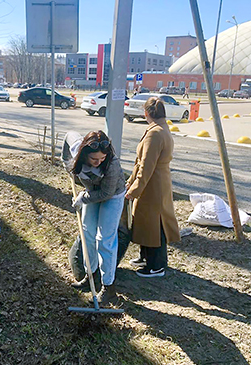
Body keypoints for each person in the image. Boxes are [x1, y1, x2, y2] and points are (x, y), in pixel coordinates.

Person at [125, 97, 180, 278]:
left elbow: (146, 165)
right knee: (147, 222)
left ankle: (156, 265)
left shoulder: (154, 133)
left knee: (154, 224)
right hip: (157, 182)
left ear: (146, 113)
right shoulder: (163, 129)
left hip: (152, 185)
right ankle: (146, 257)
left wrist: (133, 190)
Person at [69, 131, 126, 305]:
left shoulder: (111, 163)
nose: (99, 162)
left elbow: (106, 193)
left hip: (113, 196)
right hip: (93, 192)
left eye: (102, 159)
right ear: (84, 153)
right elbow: (68, 138)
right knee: (87, 234)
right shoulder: (76, 151)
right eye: (94, 159)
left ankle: (108, 288)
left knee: (105, 240)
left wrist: (82, 198)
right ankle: (91, 276)